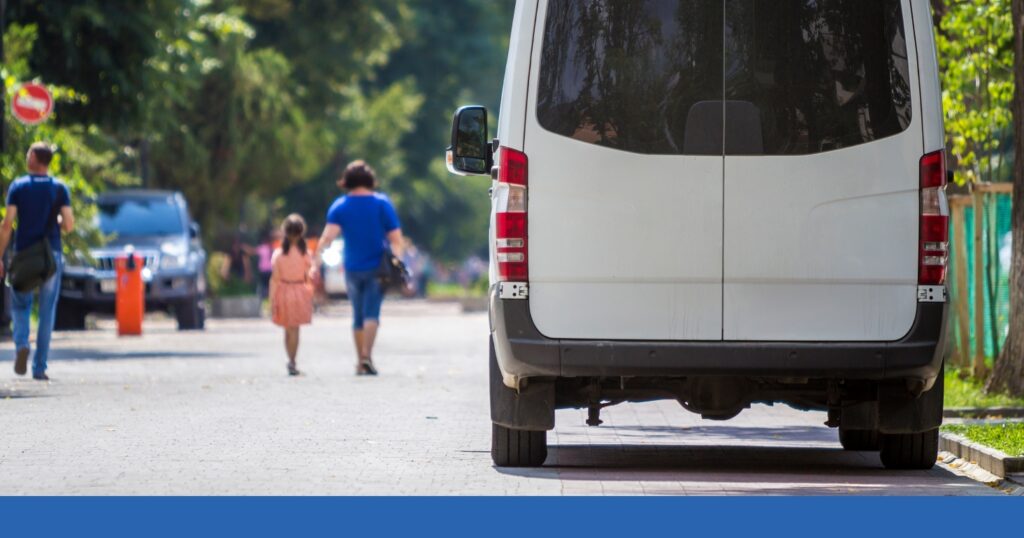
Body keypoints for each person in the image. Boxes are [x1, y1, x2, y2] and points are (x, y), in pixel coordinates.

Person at [312, 161, 404, 376]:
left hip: (352, 267)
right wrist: (397, 261)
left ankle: (360, 360)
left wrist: (315, 263)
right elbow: (396, 239)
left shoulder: (340, 206)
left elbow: (327, 238)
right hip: (377, 268)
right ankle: (367, 356)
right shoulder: (382, 204)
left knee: (358, 314)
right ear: (370, 179)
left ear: (347, 181)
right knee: (372, 312)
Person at [0, 142, 75, 381]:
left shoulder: (18, 187)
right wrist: (58, 221)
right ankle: (39, 366)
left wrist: (0, 255)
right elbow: (69, 225)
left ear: (33, 158)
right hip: (51, 255)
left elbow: (7, 225)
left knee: (20, 304)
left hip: (23, 256)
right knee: (46, 311)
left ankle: (22, 343)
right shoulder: (59, 188)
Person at [270, 215, 314, 377]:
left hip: (283, 290)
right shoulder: (305, 253)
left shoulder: (279, 254)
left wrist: (272, 299)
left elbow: (274, 279)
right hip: (300, 291)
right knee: (295, 329)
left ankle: (290, 359)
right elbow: (310, 275)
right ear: (302, 232)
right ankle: (293, 361)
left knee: (287, 329)